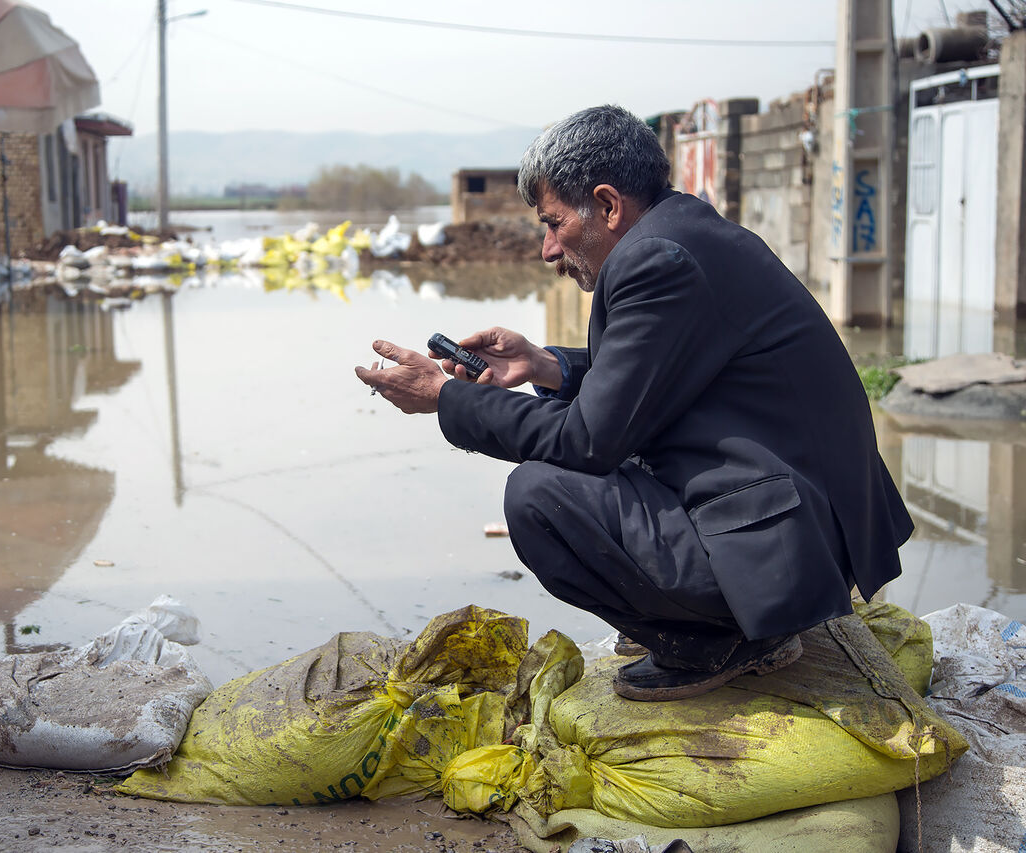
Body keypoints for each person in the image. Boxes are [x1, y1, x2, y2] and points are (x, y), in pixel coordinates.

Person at [354, 104, 913, 702]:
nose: (547, 250)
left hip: (785, 541)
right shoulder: (682, 233)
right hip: (798, 519)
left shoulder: (656, 261)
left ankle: (721, 638)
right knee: (592, 470)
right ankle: (708, 616)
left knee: (539, 494)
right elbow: (656, 369)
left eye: (554, 224)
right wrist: (544, 365)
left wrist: (445, 397)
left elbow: (586, 441)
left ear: (609, 205)